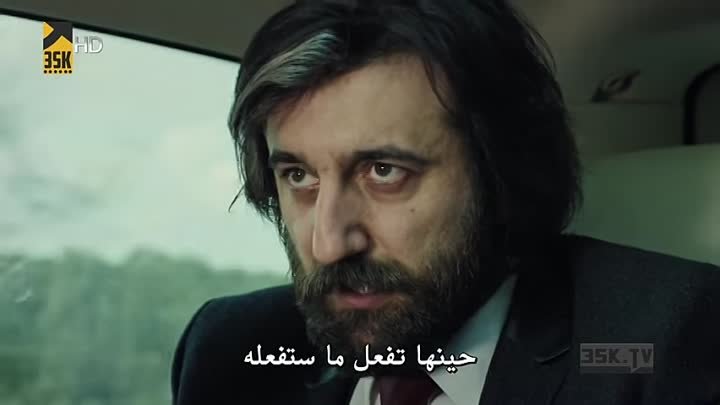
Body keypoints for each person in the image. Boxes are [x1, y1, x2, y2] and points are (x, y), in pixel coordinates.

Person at [170, 1, 720, 404]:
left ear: (503, 173)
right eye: (298, 176)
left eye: (384, 172)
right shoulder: (233, 349)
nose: (329, 243)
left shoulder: (664, 341)